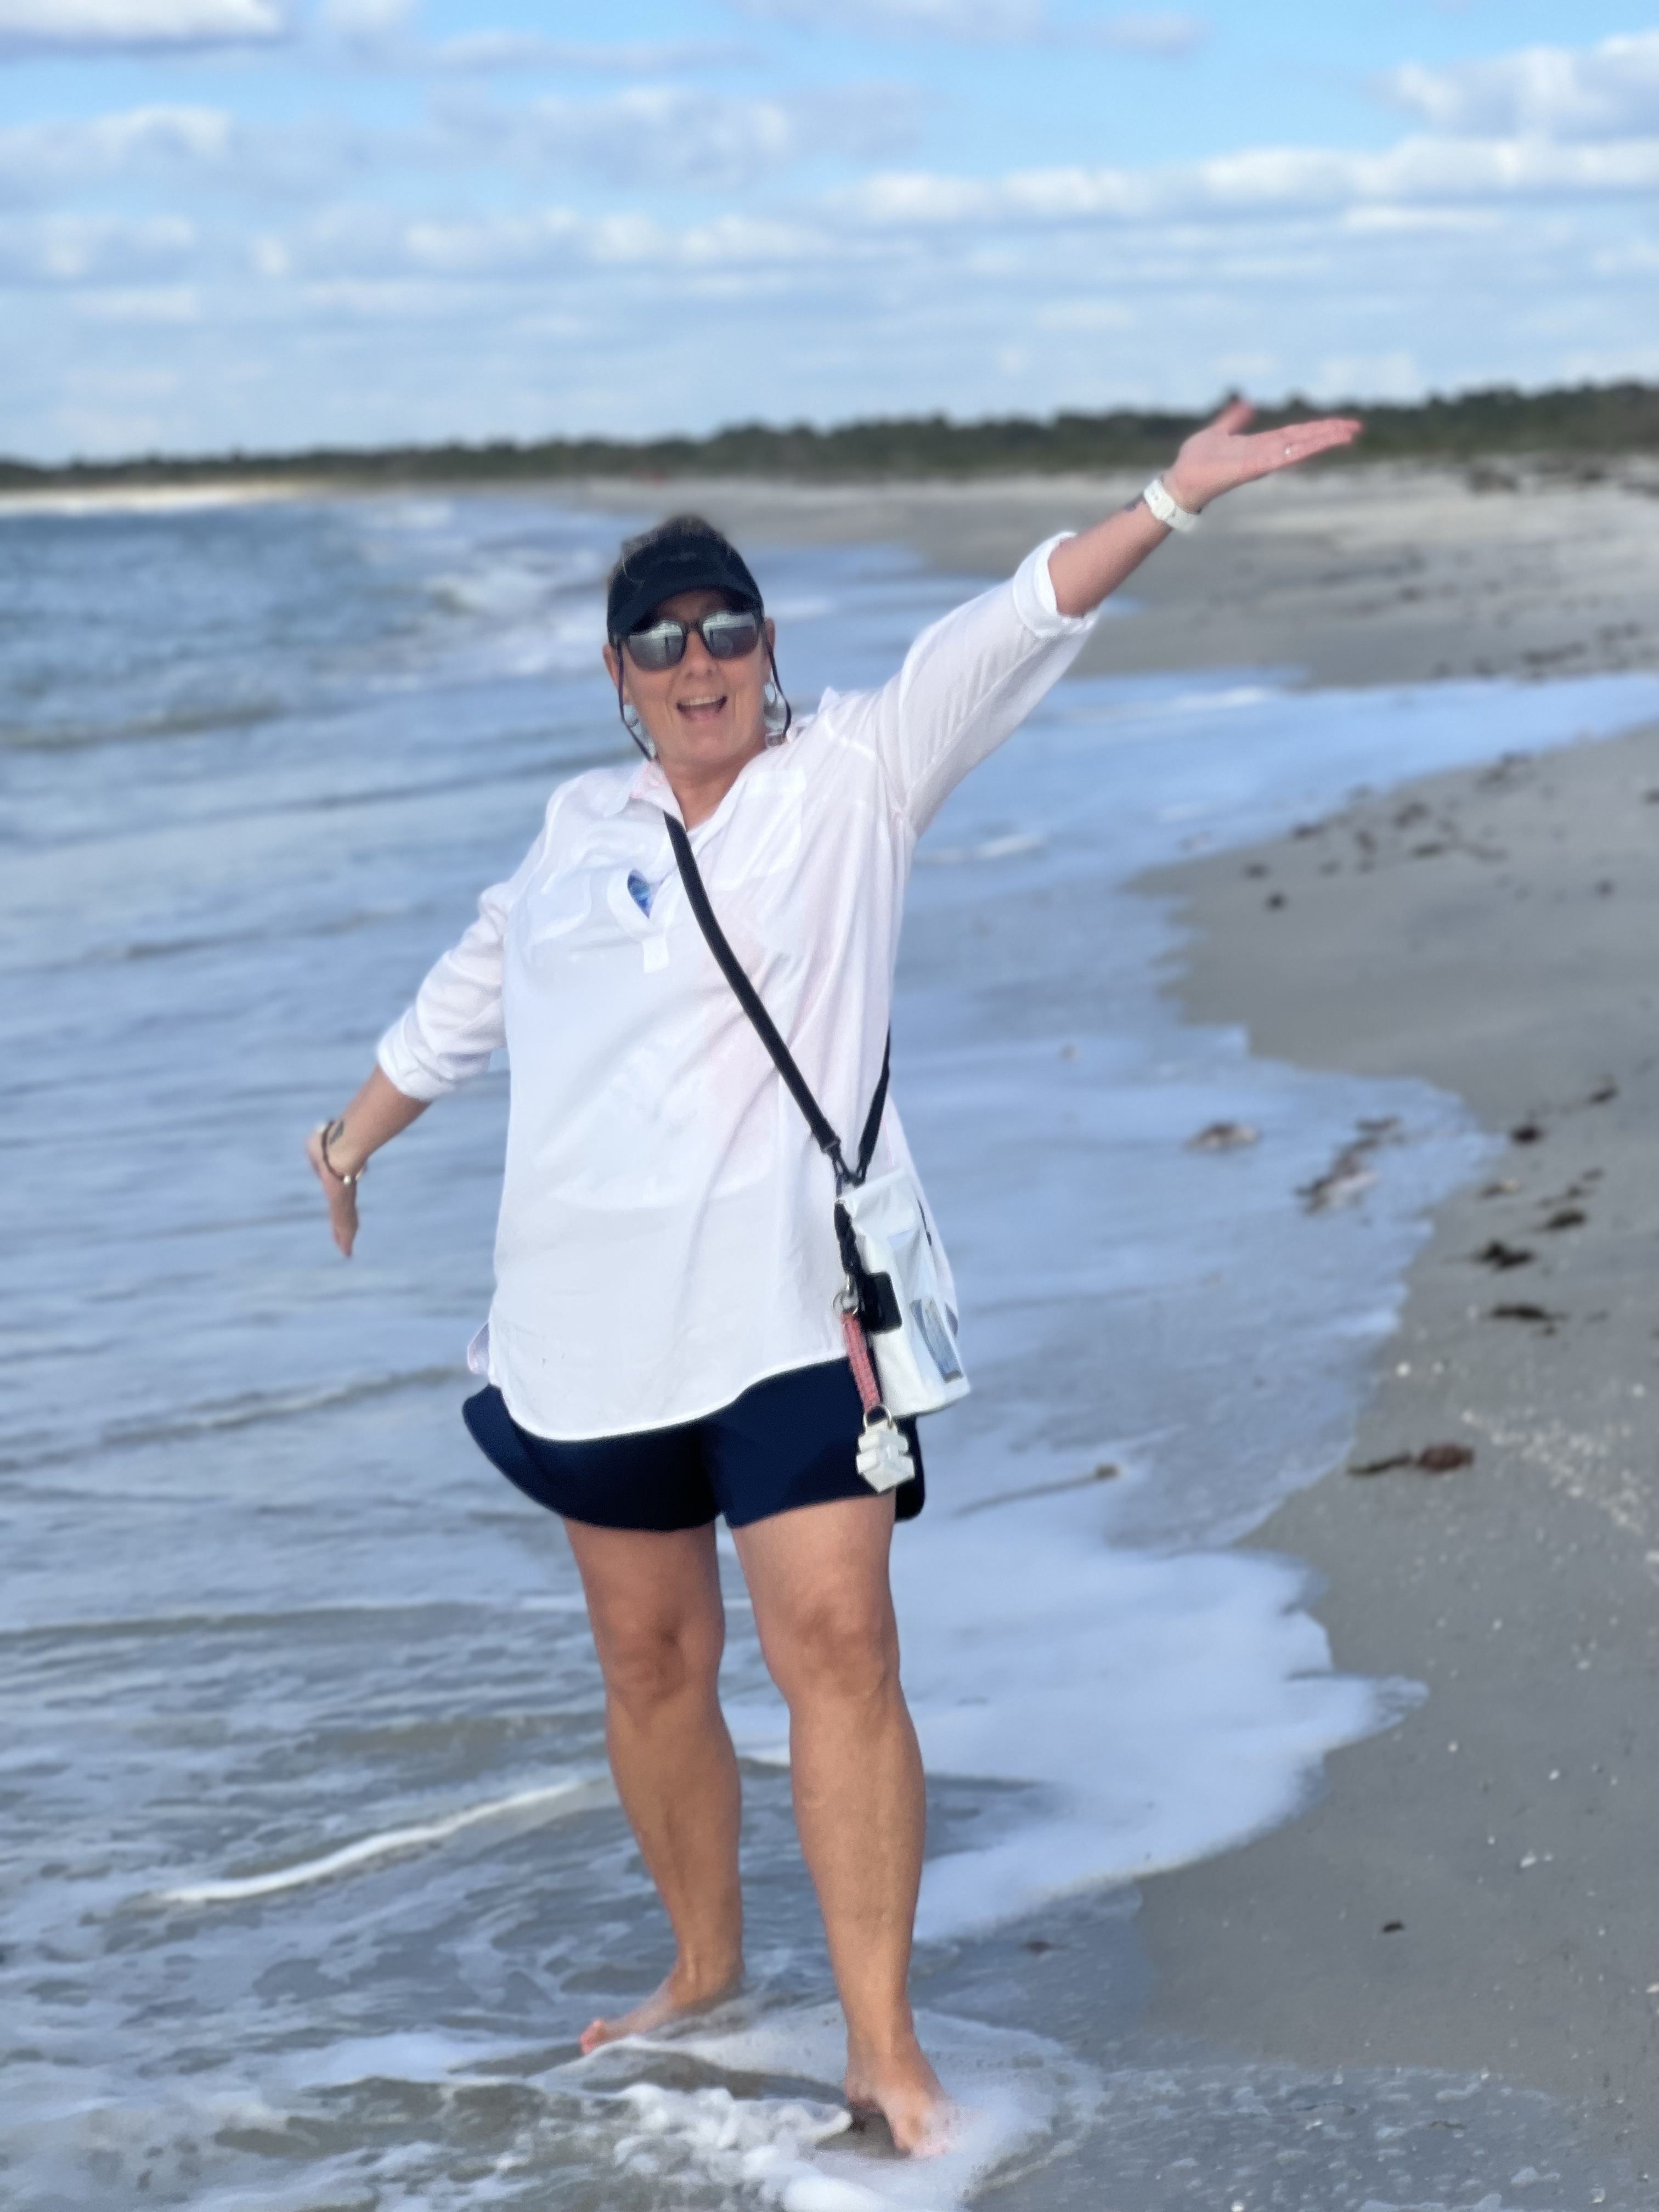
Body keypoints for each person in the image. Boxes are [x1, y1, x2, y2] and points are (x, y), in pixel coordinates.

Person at [306, 400, 1361, 2154]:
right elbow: (455, 1014)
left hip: (797, 1316)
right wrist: (346, 1145)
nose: (698, 661)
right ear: (618, 674)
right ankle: (704, 1966)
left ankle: (883, 2049)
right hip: (586, 1332)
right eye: (661, 640)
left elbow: (1013, 625)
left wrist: (1168, 500)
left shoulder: (856, 774)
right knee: (652, 1662)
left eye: (725, 626)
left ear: (767, 644)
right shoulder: (574, 832)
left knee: (842, 1646)